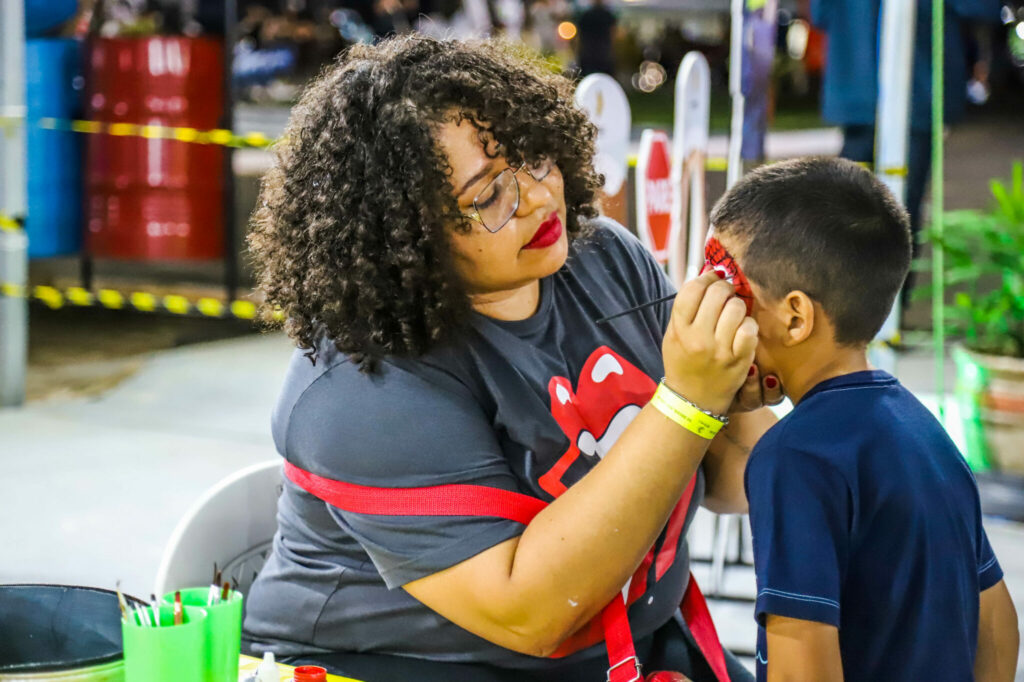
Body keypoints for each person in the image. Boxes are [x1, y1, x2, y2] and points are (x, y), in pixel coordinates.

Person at [242, 35, 781, 681]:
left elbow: (732, 482)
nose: (536, 197)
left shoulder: (603, 258)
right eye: (486, 197)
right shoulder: (363, 385)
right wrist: (690, 401)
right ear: (403, 235)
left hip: (631, 645)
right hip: (393, 666)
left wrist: (733, 384)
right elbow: (533, 615)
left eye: (531, 155)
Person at [705, 157, 1019, 681]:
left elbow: (799, 670)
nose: (714, 309)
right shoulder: (924, 427)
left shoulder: (793, 457)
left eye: (725, 288)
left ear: (796, 316)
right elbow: (997, 621)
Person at [810, 0, 1000, 305]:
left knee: (853, 210)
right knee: (895, 211)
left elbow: (821, 14)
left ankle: (852, 316)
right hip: (913, 92)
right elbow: (980, 8)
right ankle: (881, 314)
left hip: (864, 91)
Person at [575, 0, 618, 76]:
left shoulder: (585, 16)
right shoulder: (608, 16)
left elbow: (578, 38)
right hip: (604, 56)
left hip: (587, 56)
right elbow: (613, 35)